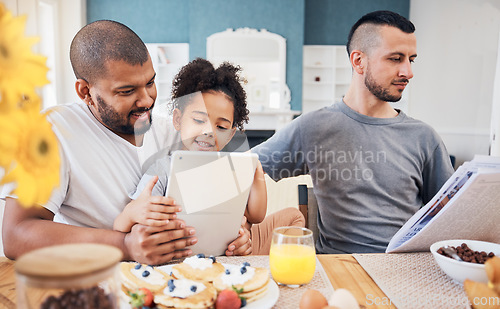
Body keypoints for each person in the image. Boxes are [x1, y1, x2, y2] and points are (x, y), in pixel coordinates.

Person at [1, 20, 250, 264]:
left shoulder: (172, 131)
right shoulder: (52, 132)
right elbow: (16, 234)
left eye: (150, 83)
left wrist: (234, 232)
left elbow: (215, 201)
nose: (147, 100)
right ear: (85, 92)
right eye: (127, 91)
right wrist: (125, 245)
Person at [252, 10, 455, 254]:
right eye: (395, 58)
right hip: (340, 268)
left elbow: (452, 213)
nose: (408, 72)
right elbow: (242, 169)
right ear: (358, 61)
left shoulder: (424, 138)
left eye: (410, 60)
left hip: (405, 265)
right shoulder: (314, 127)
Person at [113, 58, 304, 256]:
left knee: (293, 216)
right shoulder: (164, 168)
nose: (209, 131)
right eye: (198, 120)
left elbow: (256, 216)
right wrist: (130, 213)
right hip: (179, 258)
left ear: (231, 134)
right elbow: (121, 225)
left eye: (221, 127)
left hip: (225, 254)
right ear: (178, 120)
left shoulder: (228, 167)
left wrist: (255, 173)